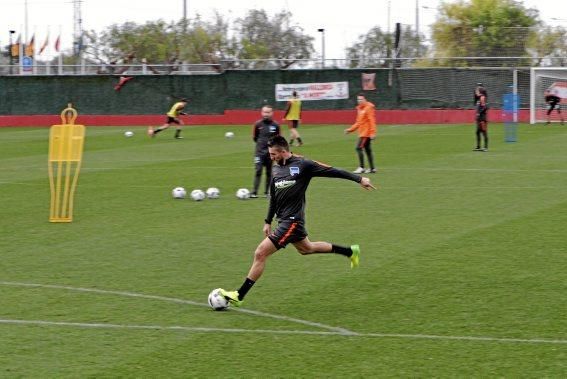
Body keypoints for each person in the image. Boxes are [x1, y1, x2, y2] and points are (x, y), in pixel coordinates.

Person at [219, 135, 376, 306]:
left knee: (260, 253)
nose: (271, 158)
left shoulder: (304, 164)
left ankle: (238, 296)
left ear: (284, 151)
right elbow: (274, 196)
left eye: (273, 154)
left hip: (292, 221)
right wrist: (267, 220)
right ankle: (350, 252)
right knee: (306, 249)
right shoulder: (276, 168)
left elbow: (333, 171)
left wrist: (360, 179)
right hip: (283, 220)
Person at [251, 104, 281, 198]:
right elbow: (255, 137)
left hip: (270, 154)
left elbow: (278, 139)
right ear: (261, 112)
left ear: (272, 113)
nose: (266, 114)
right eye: (264, 112)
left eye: (268, 112)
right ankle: (254, 192)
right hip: (259, 153)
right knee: (258, 170)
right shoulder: (258, 124)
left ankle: (267, 193)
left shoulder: (276, 125)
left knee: (269, 172)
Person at [345, 93, 377, 173]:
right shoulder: (360, 108)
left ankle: (362, 167)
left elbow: (372, 121)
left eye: (361, 99)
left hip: (366, 134)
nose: (359, 101)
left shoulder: (368, 107)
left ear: (365, 99)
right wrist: (350, 130)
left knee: (358, 148)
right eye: (358, 99)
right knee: (367, 150)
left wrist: (373, 132)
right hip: (362, 133)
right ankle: (372, 168)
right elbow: (358, 122)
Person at [473, 87, 489, 152]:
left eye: (476, 91)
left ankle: (485, 148)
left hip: (482, 118)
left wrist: (479, 113)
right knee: (477, 132)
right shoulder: (478, 99)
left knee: (484, 132)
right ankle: (478, 147)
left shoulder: (482, 97)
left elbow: (486, 107)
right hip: (479, 119)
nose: (475, 92)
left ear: (480, 91)